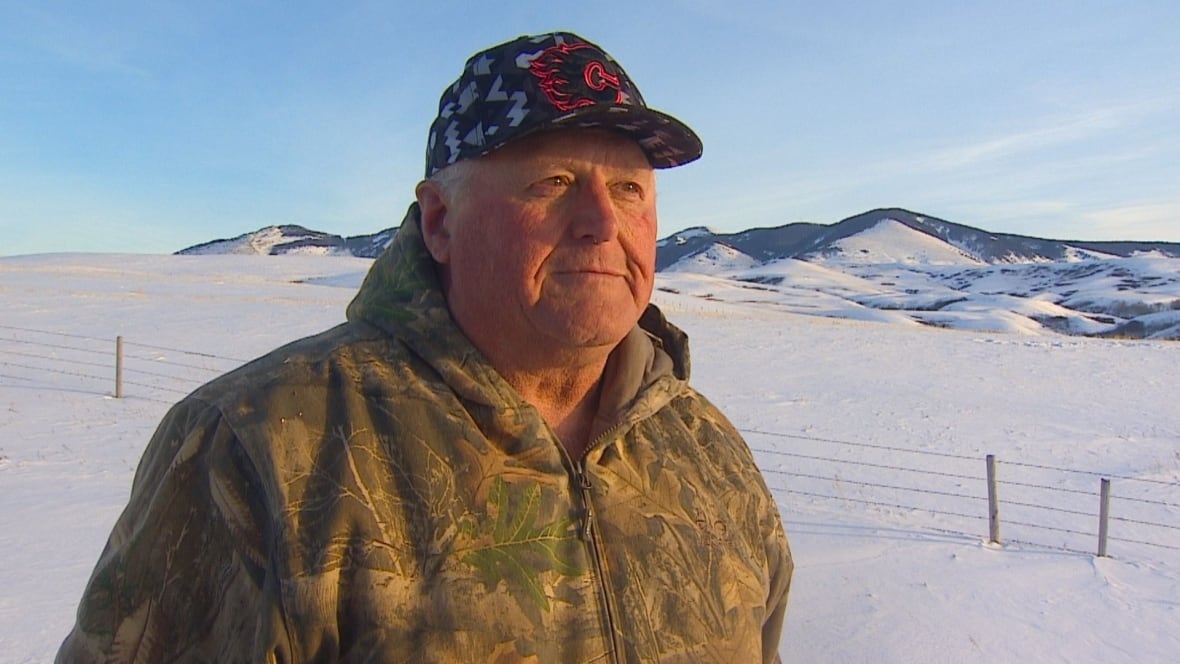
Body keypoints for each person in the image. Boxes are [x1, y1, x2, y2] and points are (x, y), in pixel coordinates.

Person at [57, 31, 792, 663]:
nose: (602, 222)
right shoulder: (260, 448)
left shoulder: (705, 451)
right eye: (555, 182)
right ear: (440, 221)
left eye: (630, 189)